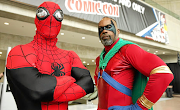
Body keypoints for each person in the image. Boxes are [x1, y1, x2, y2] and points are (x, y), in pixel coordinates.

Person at [6, 1, 94, 110]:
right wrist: (70, 79)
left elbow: (88, 84)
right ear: (36, 20)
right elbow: (38, 89)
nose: (51, 19)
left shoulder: (70, 55)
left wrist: (51, 93)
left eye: (57, 15)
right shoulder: (19, 52)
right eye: (43, 13)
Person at [94, 17, 174, 110]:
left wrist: (140, 107)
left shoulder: (128, 50)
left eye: (108, 27)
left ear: (118, 31)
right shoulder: (99, 60)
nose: (104, 31)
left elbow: (163, 73)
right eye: (101, 29)